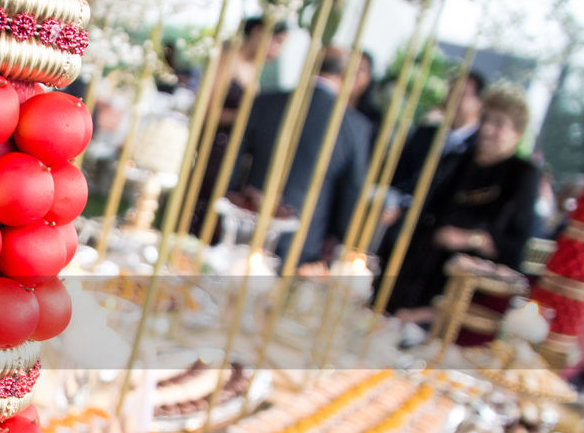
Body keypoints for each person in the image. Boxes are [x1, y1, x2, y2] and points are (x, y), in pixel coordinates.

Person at [382, 85, 539, 319]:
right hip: (416, 275)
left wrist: (470, 239)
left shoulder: (521, 175)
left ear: (516, 133)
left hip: (464, 294)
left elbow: (516, 246)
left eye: (498, 124)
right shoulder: (456, 161)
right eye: (485, 119)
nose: (487, 129)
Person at [233, 46, 371, 265]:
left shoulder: (267, 101)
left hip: (245, 221)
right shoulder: (355, 126)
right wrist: (340, 240)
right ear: (346, 76)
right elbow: (352, 192)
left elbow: (234, 159)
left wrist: (233, 198)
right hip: (304, 238)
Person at [186, 17, 289, 233]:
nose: (277, 51)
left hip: (234, 157)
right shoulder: (225, 59)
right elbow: (206, 112)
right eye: (277, 41)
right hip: (211, 151)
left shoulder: (255, 71)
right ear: (259, 32)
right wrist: (247, 117)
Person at [381, 70, 487, 229]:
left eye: (461, 95)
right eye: (451, 91)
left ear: (479, 103)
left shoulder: (480, 149)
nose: (452, 99)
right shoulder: (424, 135)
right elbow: (398, 176)